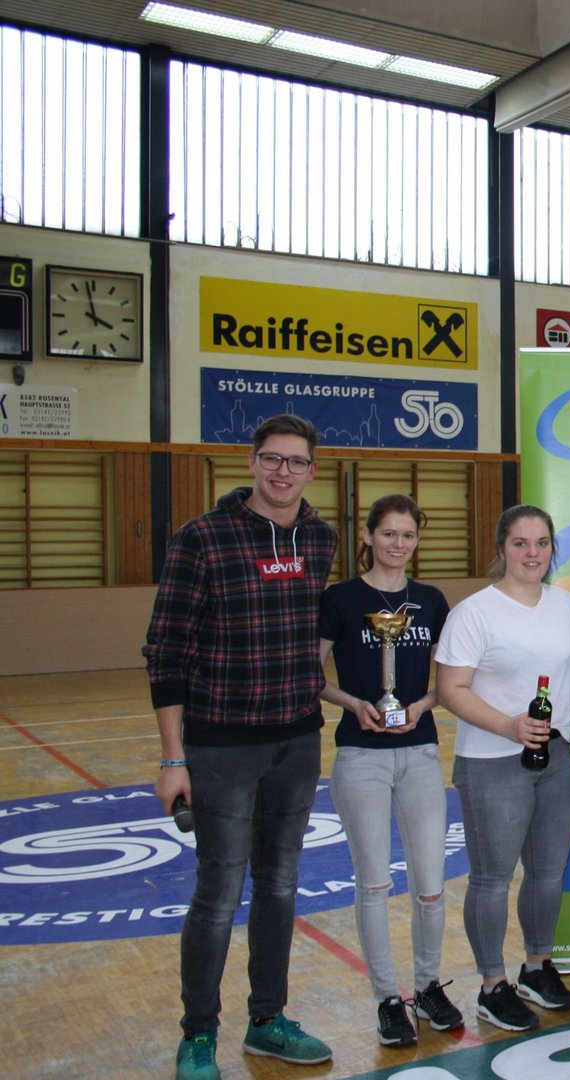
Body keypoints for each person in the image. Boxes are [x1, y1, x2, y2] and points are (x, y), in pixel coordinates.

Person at [145, 414, 338, 1080]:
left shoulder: (320, 539)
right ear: (252, 463)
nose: (284, 472)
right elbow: (166, 651)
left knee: (280, 886)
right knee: (219, 894)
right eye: (272, 459)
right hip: (221, 748)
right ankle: (198, 1034)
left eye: (296, 461)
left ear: (312, 471)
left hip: (297, 741)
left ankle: (267, 1021)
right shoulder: (202, 538)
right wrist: (174, 758)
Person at [435, 504, 570, 1032]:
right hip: (491, 763)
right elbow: (449, 689)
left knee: (548, 873)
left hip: (555, 760)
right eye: (521, 543)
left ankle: (536, 967)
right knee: (492, 878)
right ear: (501, 548)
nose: (532, 553)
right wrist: (508, 725)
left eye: (542, 543)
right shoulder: (474, 613)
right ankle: (491, 986)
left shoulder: (566, 606)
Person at [317, 494, 460, 1046]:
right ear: (369, 536)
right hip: (360, 756)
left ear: (417, 540)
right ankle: (387, 998)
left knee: (430, 885)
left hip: (420, 753)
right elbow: (311, 672)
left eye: (408, 535)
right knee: (374, 883)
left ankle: (427, 985)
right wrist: (353, 703)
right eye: (389, 533)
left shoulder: (431, 601)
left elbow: (451, 678)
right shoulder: (340, 599)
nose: (398, 544)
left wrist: (422, 705)